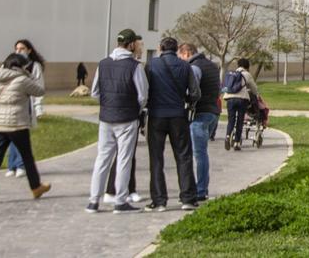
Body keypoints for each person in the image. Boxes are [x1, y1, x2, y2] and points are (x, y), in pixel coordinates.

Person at [86, 29, 147, 213]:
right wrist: (135, 110)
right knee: (124, 159)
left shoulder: (103, 64)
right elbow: (142, 95)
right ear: (130, 45)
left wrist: (107, 104)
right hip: (127, 118)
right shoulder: (135, 66)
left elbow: (95, 92)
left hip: (106, 118)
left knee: (102, 158)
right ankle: (120, 200)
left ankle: (93, 200)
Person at [0, 53, 51, 205]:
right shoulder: (22, 79)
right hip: (16, 124)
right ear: (20, 66)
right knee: (27, 157)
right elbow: (39, 91)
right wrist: (29, 75)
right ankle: (36, 187)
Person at [144, 37, 200, 212]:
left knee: (156, 158)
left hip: (156, 115)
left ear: (160, 48)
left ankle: (159, 200)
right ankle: (188, 198)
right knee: (184, 156)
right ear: (177, 50)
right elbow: (195, 92)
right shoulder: (185, 66)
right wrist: (186, 101)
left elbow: (145, 90)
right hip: (178, 115)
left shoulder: (152, 65)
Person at [180, 43, 220, 202]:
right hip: (213, 113)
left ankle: (200, 190)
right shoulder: (212, 65)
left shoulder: (194, 68)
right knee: (201, 153)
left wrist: (186, 103)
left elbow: (193, 91)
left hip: (200, 115)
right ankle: (200, 188)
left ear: (186, 53)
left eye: (180, 56)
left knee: (198, 154)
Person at [4, 39, 45, 179]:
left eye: (22, 48)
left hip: (26, 105)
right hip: (12, 106)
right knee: (12, 137)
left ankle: (20, 165)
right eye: (17, 48)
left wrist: (38, 108)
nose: (19, 51)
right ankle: (11, 166)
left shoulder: (34, 66)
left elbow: (39, 86)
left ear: (29, 50)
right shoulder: (10, 64)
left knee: (21, 137)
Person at [222, 58, 259, 151]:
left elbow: (225, 87)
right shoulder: (247, 74)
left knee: (231, 119)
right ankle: (237, 143)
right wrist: (256, 95)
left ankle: (227, 136)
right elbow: (254, 89)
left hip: (229, 98)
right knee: (240, 120)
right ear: (247, 66)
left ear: (238, 65)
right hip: (242, 99)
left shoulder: (231, 74)